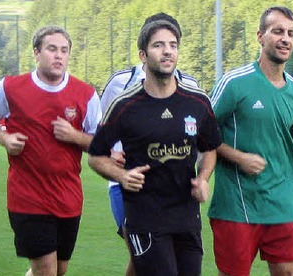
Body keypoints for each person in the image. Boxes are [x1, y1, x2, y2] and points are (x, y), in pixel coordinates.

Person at [87, 19, 221, 276]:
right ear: (143, 55)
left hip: (186, 217)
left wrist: (203, 178)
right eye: (158, 45)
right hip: (145, 217)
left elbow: (210, 148)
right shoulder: (125, 105)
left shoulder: (197, 102)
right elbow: (96, 156)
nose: (167, 51)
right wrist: (122, 176)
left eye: (173, 45)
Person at [208, 6, 293, 276]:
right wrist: (239, 157)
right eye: (278, 31)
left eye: (291, 33)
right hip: (238, 206)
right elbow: (202, 132)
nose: (285, 38)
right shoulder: (234, 83)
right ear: (260, 36)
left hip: (284, 202)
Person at [0, 26, 101, 276]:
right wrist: (4, 138)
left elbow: (101, 144)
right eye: (52, 49)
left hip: (68, 197)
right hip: (27, 198)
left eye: (64, 50)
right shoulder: (11, 88)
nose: (59, 56)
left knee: (59, 270)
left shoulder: (85, 95)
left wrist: (73, 135)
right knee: (46, 270)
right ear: (36, 53)